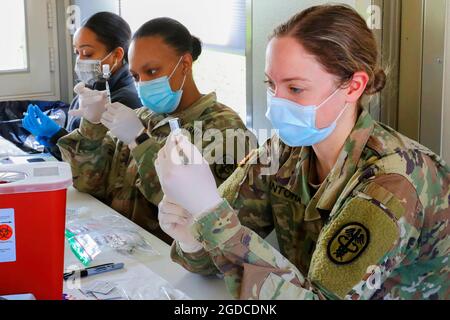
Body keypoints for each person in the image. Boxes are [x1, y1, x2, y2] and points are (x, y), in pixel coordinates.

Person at [155, 5, 450, 300]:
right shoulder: (282, 152)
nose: (276, 105)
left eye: (295, 89)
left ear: (353, 86)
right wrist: (191, 237)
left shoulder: (393, 182)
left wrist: (209, 211)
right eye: (272, 85)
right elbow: (217, 259)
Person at [58, 18, 255, 243]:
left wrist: (140, 141)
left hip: (179, 262)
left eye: (152, 71)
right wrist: (92, 126)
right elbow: (88, 183)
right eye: (135, 76)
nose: (143, 83)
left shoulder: (223, 129)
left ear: (185, 64)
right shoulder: (143, 116)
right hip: (126, 247)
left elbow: (195, 215)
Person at [22, 12, 142, 160]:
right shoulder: (90, 89)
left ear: (116, 55)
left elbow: (99, 163)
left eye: (87, 53)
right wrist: (53, 140)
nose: (79, 61)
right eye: (77, 53)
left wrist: (57, 136)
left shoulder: (124, 101)